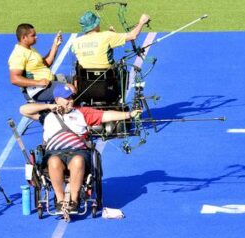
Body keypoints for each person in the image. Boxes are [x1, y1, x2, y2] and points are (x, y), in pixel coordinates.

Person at [19, 84, 141, 213]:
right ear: (57, 100)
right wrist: (49, 107)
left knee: (77, 160)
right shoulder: (47, 115)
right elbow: (23, 110)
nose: (70, 100)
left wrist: (129, 114)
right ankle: (60, 201)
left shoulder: (82, 112)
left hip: (78, 152)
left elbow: (106, 115)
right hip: (54, 152)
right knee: (54, 161)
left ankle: (74, 201)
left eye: (71, 97)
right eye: (67, 98)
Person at [8, 23, 75, 102]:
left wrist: (55, 45)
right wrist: (38, 82)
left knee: (79, 81)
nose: (36, 37)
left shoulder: (31, 49)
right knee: (69, 89)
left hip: (49, 83)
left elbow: (46, 63)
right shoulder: (18, 54)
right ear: (24, 37)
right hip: (38, 90)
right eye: (33, 35)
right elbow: (14, 79)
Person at [71, 11, 150, 69]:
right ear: (95, 25)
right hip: (108, 81)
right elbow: (132, 35)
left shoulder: (75, 42)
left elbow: (77, 49)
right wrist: (141, 22)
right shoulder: (107, 36)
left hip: (85, 83)